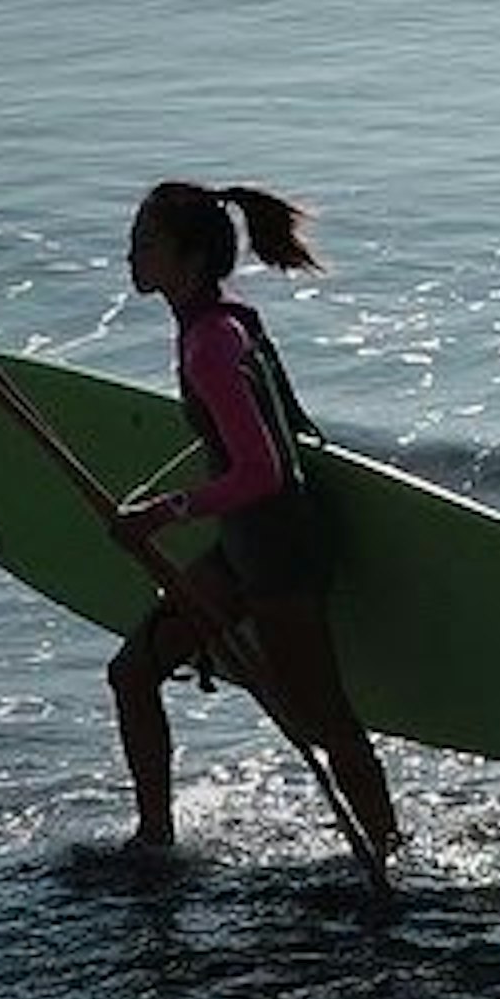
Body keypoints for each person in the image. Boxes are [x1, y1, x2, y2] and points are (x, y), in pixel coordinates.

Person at [101, 179, 402, 861]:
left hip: (276, 554)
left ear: (192, 257)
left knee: (324, 721)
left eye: (145, 243)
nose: (130, 256)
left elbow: (263, 468)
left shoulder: (211, 342)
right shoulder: (226, 319)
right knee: (132, 673)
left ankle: (388, 855)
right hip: (245, 545)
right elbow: (283, 431)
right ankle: (154, 840)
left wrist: (163, 512)